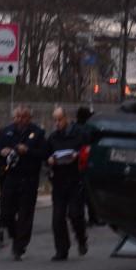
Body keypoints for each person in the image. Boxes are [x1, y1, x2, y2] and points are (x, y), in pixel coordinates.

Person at [0, 104, 47, 260]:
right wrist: (1, 152)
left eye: (22, 117)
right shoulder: (7, 131)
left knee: (25, 214)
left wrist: (29, 151)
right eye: (16, 117)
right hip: (11, 176)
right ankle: (13, 233)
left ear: (28, 118)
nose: (19, 120)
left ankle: (20, 246)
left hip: (29, 177)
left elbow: (43, 153)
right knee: (6, 211)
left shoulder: (37, 133)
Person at [45, 106, 88, 261]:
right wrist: (49, 160)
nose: (57, 123)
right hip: (59, 179)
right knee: (57, 218)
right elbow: (46, 154)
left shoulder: (79, 135)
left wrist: (78, 155)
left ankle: (81, 238)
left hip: (75, 179)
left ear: (66, 118)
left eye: (59, 120)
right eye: (55, 120)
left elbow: (87, 150)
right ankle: (62, 249)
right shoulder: (53, 138)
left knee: (75, 213)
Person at [75, 105, 100, 226]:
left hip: (75, 164)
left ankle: (82, 217)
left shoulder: (73, 128)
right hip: (87, 164)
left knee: (79, 192)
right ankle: (93, 217)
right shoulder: (88, 129)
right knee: (89, 192)